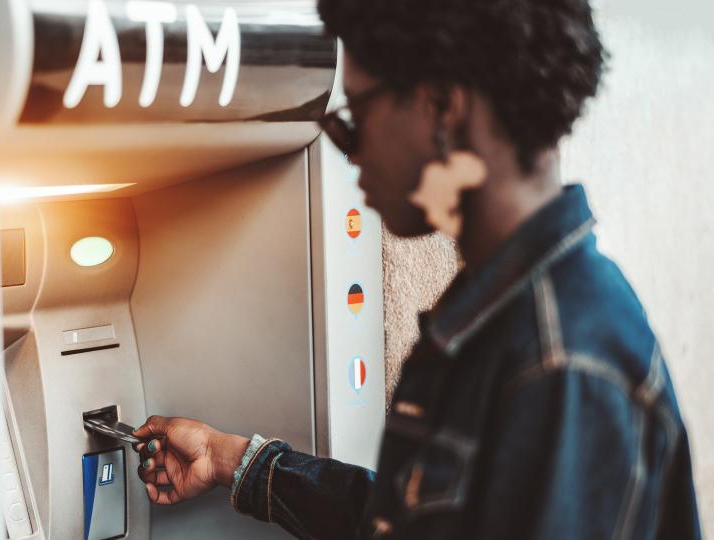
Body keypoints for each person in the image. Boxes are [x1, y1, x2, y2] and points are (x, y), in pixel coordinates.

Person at [132, 0, 702, 538]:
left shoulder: (558, 363)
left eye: (356, 113)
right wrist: (227, 458)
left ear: (441, 107)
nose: (350, 152)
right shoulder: (508, 320)